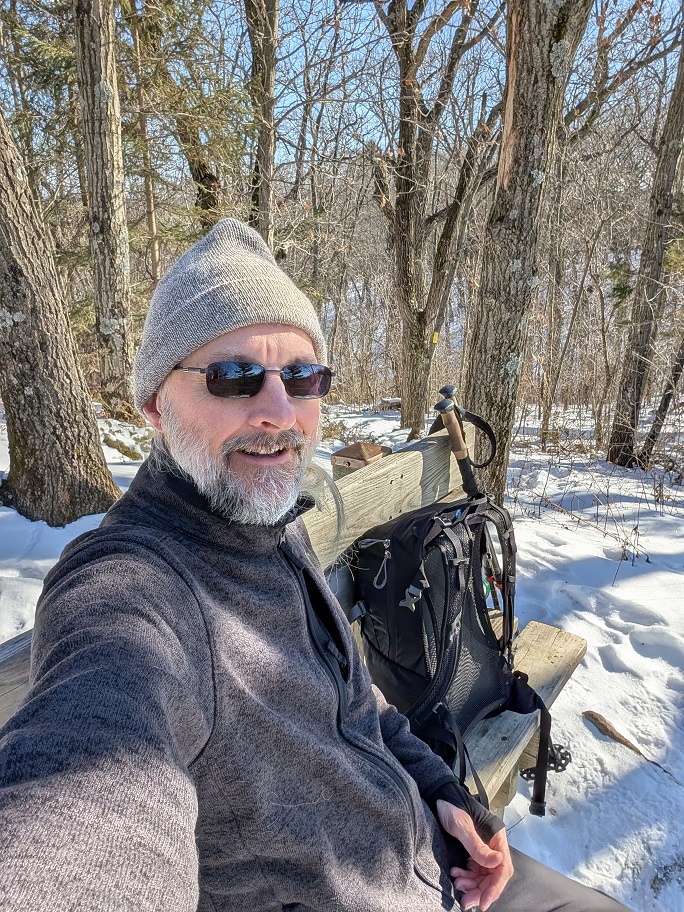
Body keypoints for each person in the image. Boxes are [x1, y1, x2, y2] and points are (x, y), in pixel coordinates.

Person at [0, 220, 630, 912]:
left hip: (433, 859)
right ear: (153, 403)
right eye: (232, 377)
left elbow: (359, 700)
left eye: (302, 377)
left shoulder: (267, 515)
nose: (279, 413)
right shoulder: (133, 588)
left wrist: (444, 792)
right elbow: (91, 796)